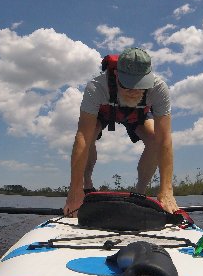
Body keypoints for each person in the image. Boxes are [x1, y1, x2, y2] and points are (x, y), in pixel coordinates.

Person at [64, 47, 177, 215]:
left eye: (140, 86)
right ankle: (86, 185)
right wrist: (74, 191)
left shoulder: (159, 89)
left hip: (137, 117)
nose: (134, 92)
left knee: (155, 139)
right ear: (116, 75)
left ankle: (140, 192)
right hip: (104, 114)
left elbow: (165, 139)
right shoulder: (96, 87)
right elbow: (82, 137)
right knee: (90, 135)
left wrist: (167, 190)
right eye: (128, 86)